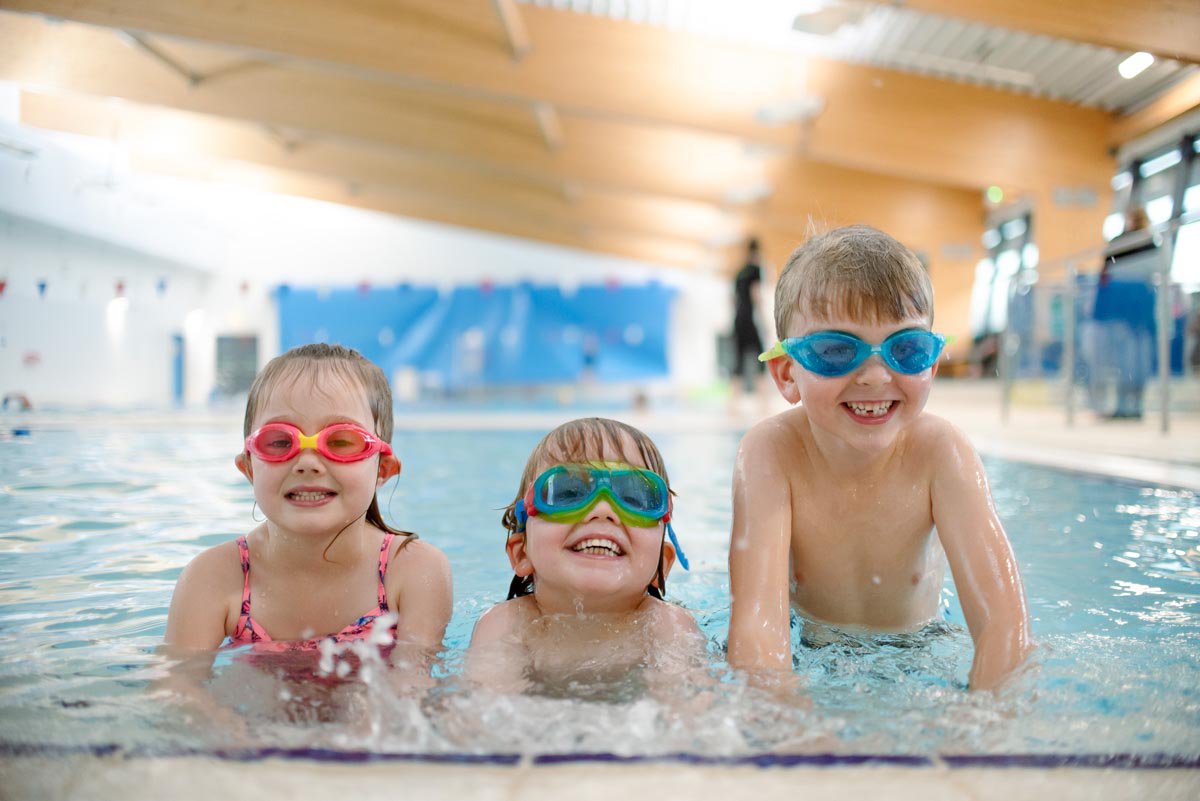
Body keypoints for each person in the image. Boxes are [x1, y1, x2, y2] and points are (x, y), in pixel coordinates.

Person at [727, 225, 1032, 691]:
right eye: (835, 351)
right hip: (810, 648)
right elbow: (756, 629)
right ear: (787, 374)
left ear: (930, 365)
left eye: (905, 349)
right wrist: (783, 721)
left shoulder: (941, 452)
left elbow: (1005, 628)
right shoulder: (769, 453)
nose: (874, 376)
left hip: (920, 649)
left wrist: (989, 722)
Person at [164, 343, 453, 658]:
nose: (307, 462)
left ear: (382, 469)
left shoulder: (412, 570)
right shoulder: (214, 577)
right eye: (279, 441)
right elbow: (178, 690)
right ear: (249, 468)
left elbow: (412, 688)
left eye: (342, 441)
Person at [466, 417, 704, 693]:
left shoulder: (667, 627)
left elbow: (689, 718)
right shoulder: (506, 625)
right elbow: (482, 717)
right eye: (568, 492)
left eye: (635, 496)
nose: (602, 510)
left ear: (661, 564)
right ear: (522, 553)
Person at [1089, 207, 1158, 419]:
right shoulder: (1149, 243)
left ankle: (1128, 405)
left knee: (1126, 359)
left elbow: (1105, 274)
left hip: (1124, 311)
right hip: (1137, 310)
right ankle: (1131, 405)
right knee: (1133, 359)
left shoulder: (1124, 243)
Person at [729, 237, 771, 412]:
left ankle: (733, 407)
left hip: (738, 319)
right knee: (760, 357)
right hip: (750, 318)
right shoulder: (756, 269)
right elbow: (756, 295)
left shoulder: (739, 272)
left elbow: (732, 299)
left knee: (738, 360)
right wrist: (764, 320)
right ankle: (763, 405)